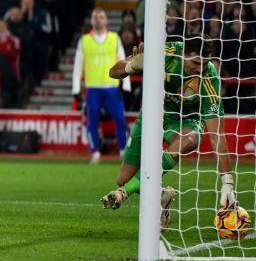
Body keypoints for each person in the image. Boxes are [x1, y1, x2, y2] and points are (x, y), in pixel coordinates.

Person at [101, 40, 238, 230]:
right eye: (196, 63)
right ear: (183, 55)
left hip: (186, 122)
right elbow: (113, 72)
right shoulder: (164, 52)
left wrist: (227, 182)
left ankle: (124, 193)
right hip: (152, 114)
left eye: (204, 63)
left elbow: (216, 134)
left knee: (189, 139)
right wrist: (132, 66)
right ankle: (161, 196)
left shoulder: (209, 78)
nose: (200, 69)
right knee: (124, 178)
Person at [71, 8, 130, 164]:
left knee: (120, 119)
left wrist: (126, 84)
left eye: (101, 17)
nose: (98, 19)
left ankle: (124, 151)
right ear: (91, 20)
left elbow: (123, 60)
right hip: (93, 87)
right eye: (95, 17)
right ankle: (95, 152)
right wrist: (76, 89)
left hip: (112, 86)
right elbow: (78, 66)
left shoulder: (114, 38)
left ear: (106, 21)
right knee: (92, 121)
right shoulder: (84, 40)